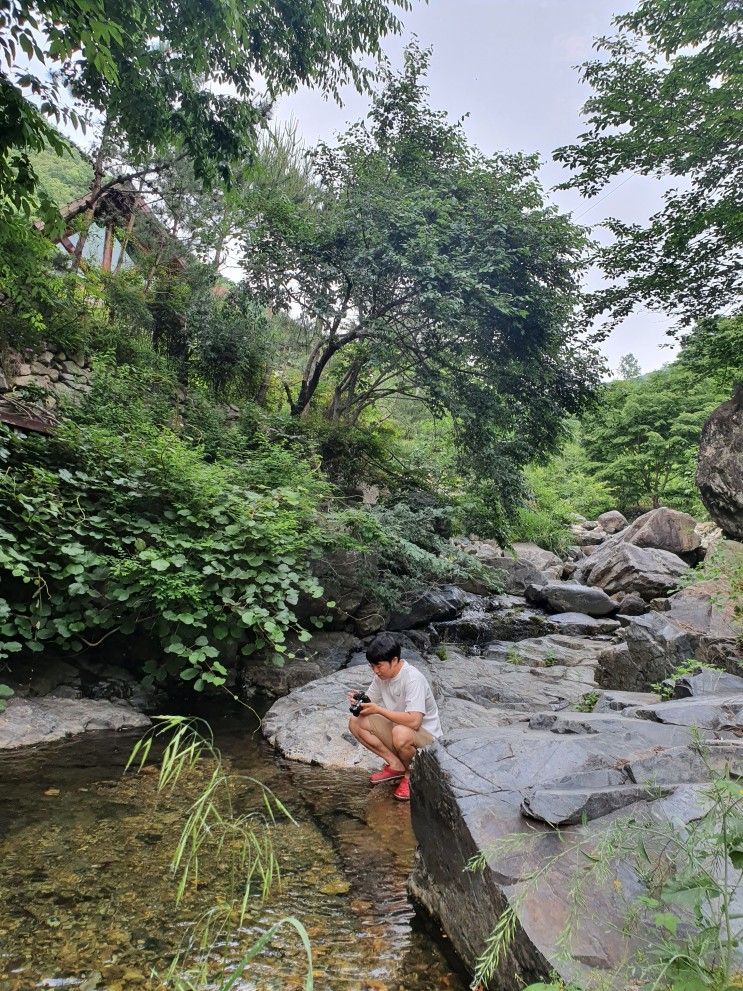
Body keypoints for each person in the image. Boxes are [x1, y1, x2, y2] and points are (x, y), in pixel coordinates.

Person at [348, 632, 443, 801]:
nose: (375, 671)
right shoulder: (381, 677)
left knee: (400, 732)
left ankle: (410, 775)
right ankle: (396, 765)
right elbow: (371, 702)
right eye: (372, 666)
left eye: (379, 666)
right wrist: (360, 701)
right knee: (356, 722)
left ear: (394, 660)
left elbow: (414, 721)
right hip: (400, 729)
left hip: (427, 739)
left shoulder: (413, 678)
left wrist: (378, 710)